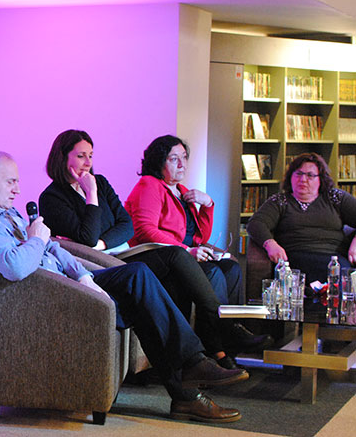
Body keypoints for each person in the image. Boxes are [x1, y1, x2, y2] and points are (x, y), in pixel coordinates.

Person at [0, 149, 247, 423]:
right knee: (143, 298)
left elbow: (55, 248)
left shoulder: (8, 213)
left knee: (138, 276)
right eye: (11, 181)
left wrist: (83, 276)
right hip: (46, 300)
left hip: (67, 285)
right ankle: (189, 380)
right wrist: (36, 239)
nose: (18, 190)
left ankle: (189, 379)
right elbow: (16, 266)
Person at [39, 129, 268, 368]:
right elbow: (88, 236)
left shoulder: (102, 182)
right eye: (80, 156)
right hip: (102, 263)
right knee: (178, 255)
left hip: (121, 252)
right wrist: (91, 195)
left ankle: (222, 339)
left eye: (91, 156)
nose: (88, 163)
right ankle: (224, 330)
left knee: (225, 267)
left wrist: (102, 241)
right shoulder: (53, 197)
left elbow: (126, 226)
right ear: (62, 157)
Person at [124, 135, 269, 352]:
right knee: (213, 273)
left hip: (185, 257)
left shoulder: (182, 192)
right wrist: (187, 251)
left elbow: (200, 238)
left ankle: (227, 341)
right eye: (174, 159)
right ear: (159, 162)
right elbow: (145, 230)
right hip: (161, 259)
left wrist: (208, 205)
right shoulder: (150, 185)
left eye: (184, 157)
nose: (182, 164)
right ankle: (219, 343)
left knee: (231, 268)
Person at [247, 152, 356, 283]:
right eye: (298, 174)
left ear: (321, 179)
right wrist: (270, 244)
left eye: (310, 175)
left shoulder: (335, 198)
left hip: (333, 259)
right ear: (290, 177)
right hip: (296, 257)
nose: (303, 179)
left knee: (342, 278)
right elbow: (256, 223)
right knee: (299, 279)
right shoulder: (280, 201)